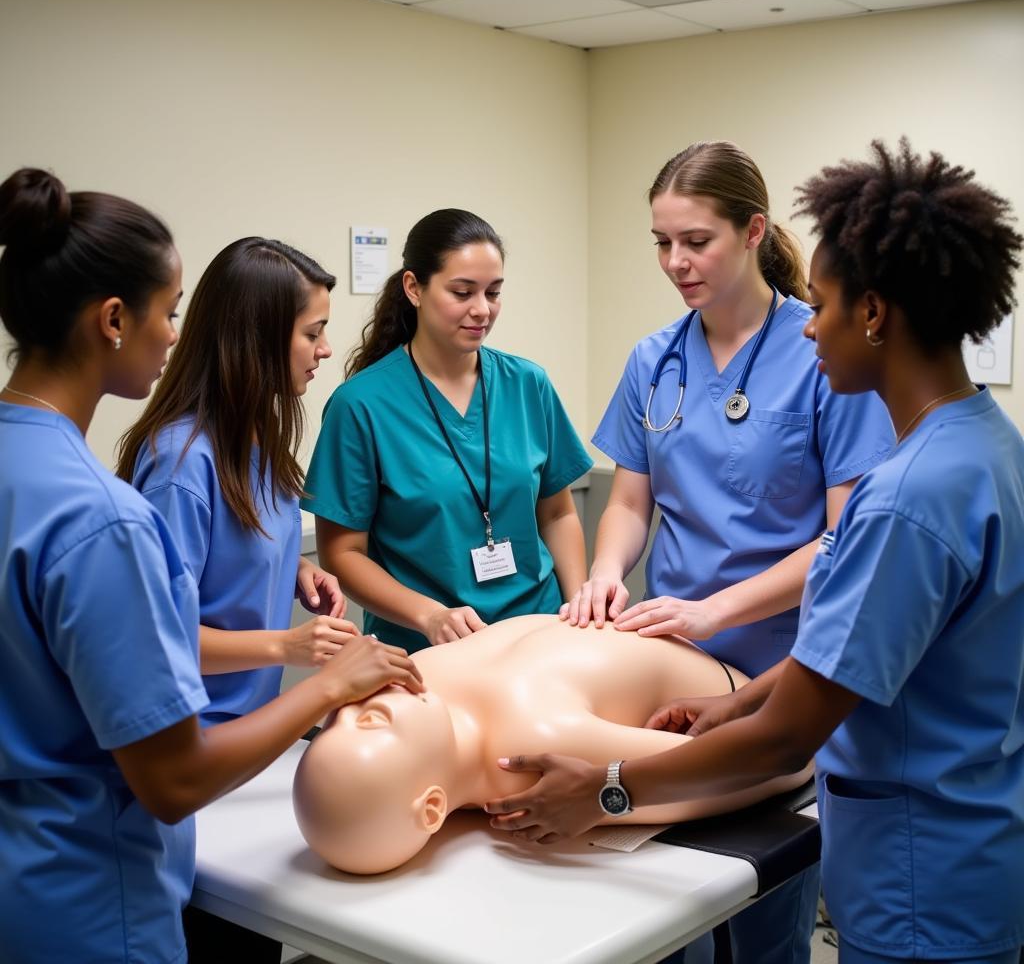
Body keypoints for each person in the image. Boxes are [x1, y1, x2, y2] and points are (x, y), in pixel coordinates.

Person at [486, 139, 1024, 964]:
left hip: (922, 875)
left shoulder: (907, 496)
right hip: (965, 840)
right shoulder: (987, 446)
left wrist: (607, 787)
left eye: (826, 303)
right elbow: (867, 650)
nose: (812, 326)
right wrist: (731, 704)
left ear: (873, 313)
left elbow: (788, 736)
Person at [0, 168, 424, 964]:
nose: (174, 335)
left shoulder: (29, 468)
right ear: (114, 319)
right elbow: (172, 778)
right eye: (169, 312)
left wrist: (290, 579)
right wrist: (324, 678)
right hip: (88, 891)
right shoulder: (118, 510)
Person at [561, 140, 895, 964]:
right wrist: (607, 573)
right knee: (658, 915)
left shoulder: (822, 354)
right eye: (661, 243)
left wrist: (717, 608)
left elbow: (840, 538)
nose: (676, 262)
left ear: (753, 233)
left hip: (780, 676)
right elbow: (630, 501)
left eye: (696, 241)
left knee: (762, 920)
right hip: (665, 669)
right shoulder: (654, 359)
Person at [293, 614, 812, 874]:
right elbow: (774, 763)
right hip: (732, 694)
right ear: (431, 807)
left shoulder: (415, 676)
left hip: (731, 681)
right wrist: (792, 740)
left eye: (339, 718)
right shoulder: (533, 750)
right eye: (373, 722)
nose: (353, 706)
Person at [303, 209, 593, 652]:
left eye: (493, 293)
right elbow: (343, 555)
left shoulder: (528, 385)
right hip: (428, 648)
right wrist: (429, 615)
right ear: (414, 288)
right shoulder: (361, 406)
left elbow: (556, 513)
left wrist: (578, 608)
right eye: (462, 292)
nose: (482, 310)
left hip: (540, 633)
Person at [117, 237, 356, 727]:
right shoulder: (180, 467)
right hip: (189, 741)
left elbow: (226, 555)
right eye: (313, 334)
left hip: (247, 727)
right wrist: (288, 645)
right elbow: (156, 638)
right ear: (257, 338)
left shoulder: (257, 435)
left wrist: (290, 571)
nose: (326, 350)